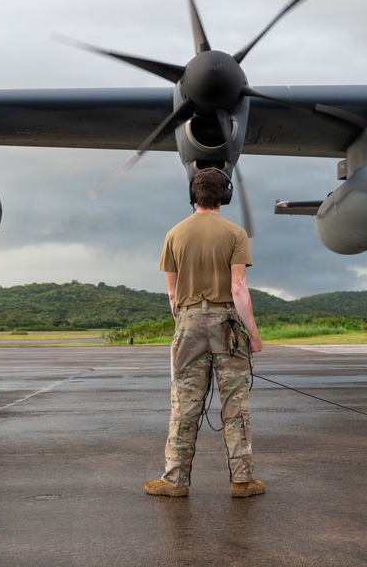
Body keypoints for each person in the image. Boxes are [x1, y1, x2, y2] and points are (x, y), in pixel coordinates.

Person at [145, 167, 265, 498]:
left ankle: (175, 480)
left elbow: (172, 295)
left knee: (184, 403)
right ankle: (242, 480)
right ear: (225, 196)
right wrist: (254, 335)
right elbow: (239, 289)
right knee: (235, 402)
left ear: (193, 195)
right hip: (226, 323)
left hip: (188, 320)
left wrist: (186, 322)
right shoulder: (236, 234)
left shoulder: (174, 234)